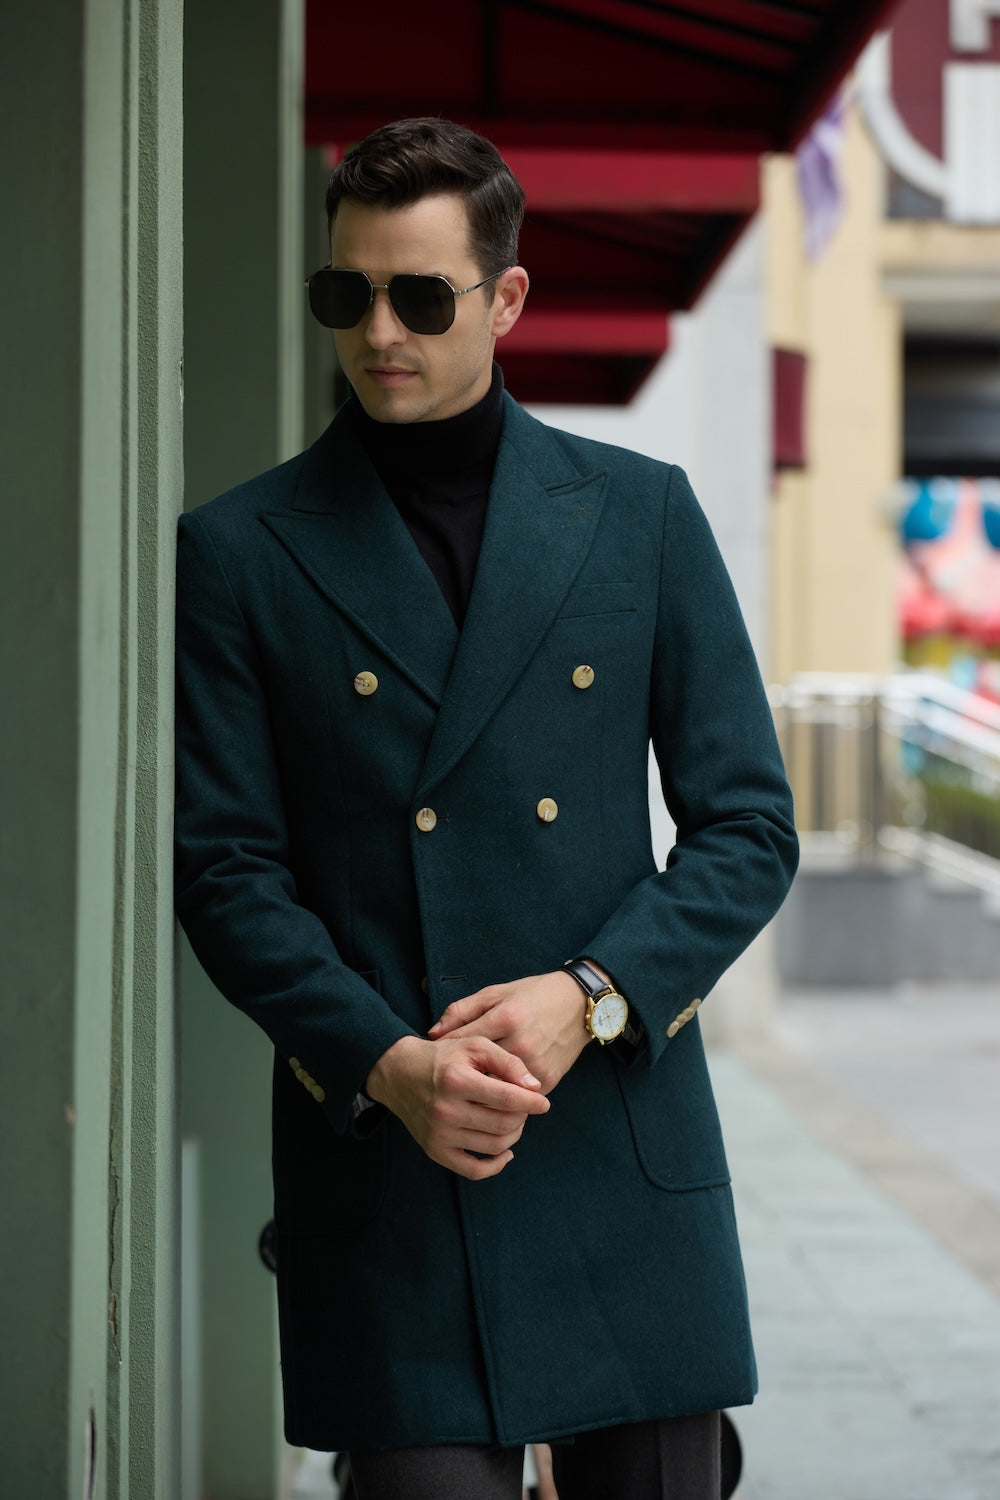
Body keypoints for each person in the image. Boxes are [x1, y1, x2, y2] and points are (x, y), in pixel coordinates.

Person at [174, 117, 798, 1500]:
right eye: (347, 294)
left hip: (619, 1153)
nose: (379, 331)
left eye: (420, 295)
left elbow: (749, 824)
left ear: (506, 298)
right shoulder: (237, 551)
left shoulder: (639, 515)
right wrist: (389, 1062)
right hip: (390, 1158)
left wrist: (592, 993)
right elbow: (225, 871)